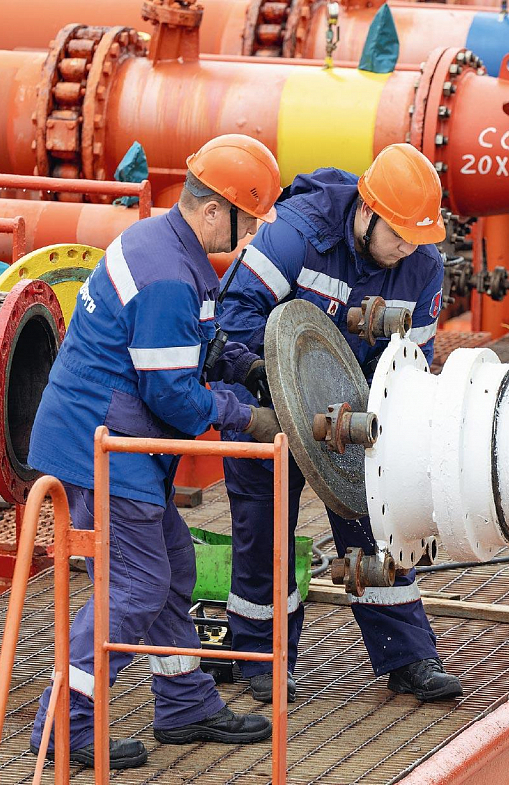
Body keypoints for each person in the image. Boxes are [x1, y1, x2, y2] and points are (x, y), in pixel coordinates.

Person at [26, 134, 285, 770]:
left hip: (111, 438)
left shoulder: (165, 245)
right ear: (214, 211)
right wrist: (243, 415)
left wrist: (245, 366)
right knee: (137, 586)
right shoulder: (170, 273)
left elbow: (195, 345)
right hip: (103, 447)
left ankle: (184, 703)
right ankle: (64, 726)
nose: (254, 234)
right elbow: (170, 392)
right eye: (250, 220)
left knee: (170, 562)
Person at [215, 143, 461, 705]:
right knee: (264, 531)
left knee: (378, 522)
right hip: (267, 402)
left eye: (416, 238)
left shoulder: (423, 267)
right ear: (366, 211)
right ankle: (262, 658)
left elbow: (410, 367)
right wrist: (271, 376)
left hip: (357, 410)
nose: (405, 248)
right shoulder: (294, 235)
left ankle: (407, 657)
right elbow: (233, 316)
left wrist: (386, 430)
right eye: (397, 234)